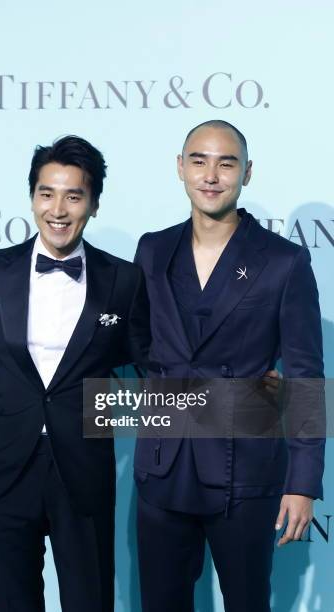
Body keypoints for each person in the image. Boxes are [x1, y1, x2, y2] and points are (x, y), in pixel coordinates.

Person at [0, 135, 150, 612]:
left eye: (74, 196)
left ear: (93, 205)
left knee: (90, 603)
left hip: (85, 474)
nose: (58, 208)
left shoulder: (123, 280)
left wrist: (251, 400)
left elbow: (150, 366)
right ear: (32, 197)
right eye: (46, 193)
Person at [133, 120, 325, 612]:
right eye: (198, 160)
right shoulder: (152, 250)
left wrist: (302, 484)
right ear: (180, 167)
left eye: (226, 162)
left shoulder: (283, 262)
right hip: (163, 465)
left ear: (247, 173)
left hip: (245, 469)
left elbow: (305, 376)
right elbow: (138, 343)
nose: (211, 175)